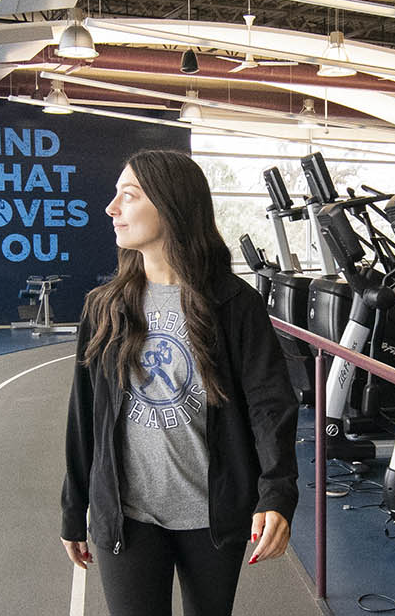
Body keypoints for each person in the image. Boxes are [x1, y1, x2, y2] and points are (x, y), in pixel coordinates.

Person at [60, 150, 299, 616]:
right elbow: (83, 414)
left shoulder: (233, 303)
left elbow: (270, 405)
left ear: (170, 205)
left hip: (211, 517)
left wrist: (278, 492)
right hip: (127, 517)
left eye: (127, 196)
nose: (111, 208)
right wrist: (74, 507)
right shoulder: (103, 307)